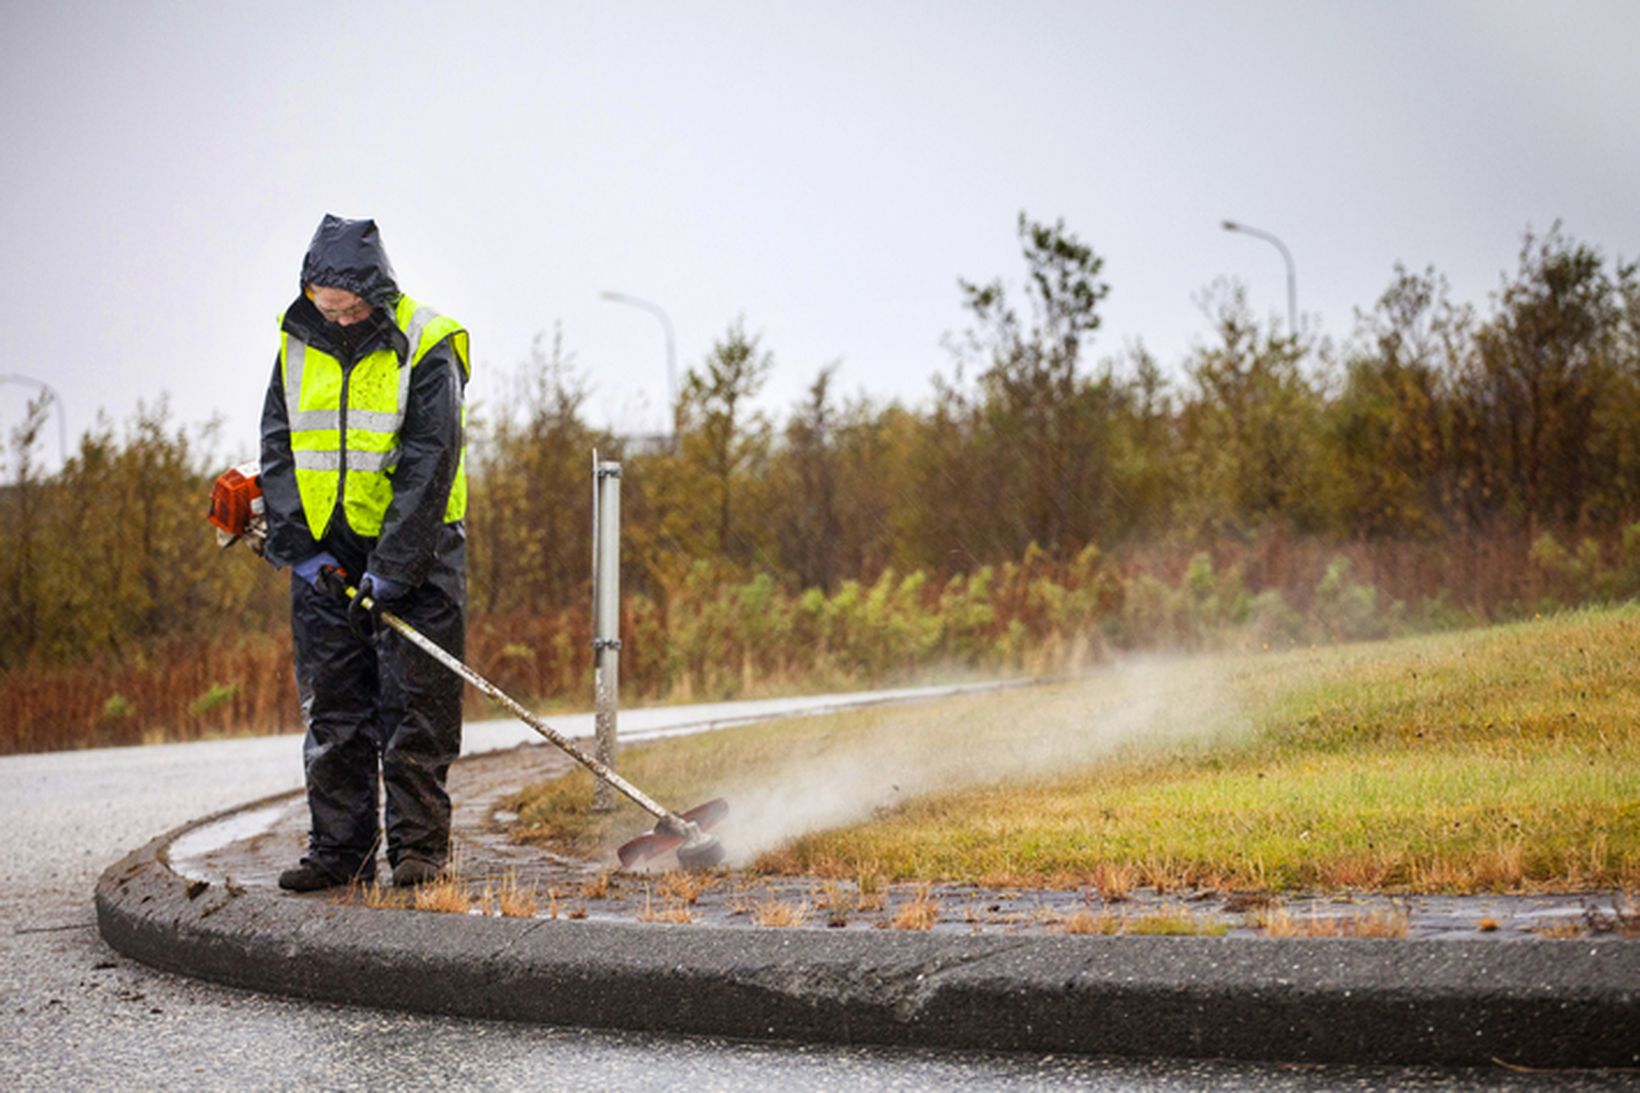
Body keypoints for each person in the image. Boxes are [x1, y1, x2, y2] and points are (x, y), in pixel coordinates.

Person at [260, 214, 471, 891]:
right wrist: (300, 551)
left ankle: (420, 851)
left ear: (376, 294)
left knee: (414, 706)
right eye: (328, 306)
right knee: (334, 708)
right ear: (309, 292)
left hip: (418, 547)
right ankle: (338, 851)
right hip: (327, 552)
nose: (340, 319)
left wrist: (395, 566)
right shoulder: (295, 344)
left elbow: (429, 461)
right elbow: (279, 447)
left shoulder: (427, 342)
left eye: (351, 308)